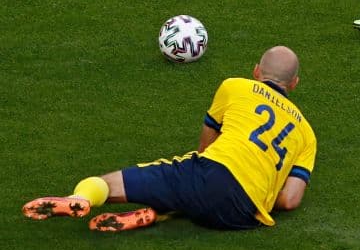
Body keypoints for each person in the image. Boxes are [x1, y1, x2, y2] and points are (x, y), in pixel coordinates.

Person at [22, 46, 316, 232]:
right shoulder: (306, 132)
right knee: (202, 196)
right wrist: (257, 189)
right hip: (243, 215)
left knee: (123, 181)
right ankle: (157, 214)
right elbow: (290, 200)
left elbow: (205, 147)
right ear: (294, 84)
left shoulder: (236, 86)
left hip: (211, 173)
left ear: (256, 71)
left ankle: (81, 198)